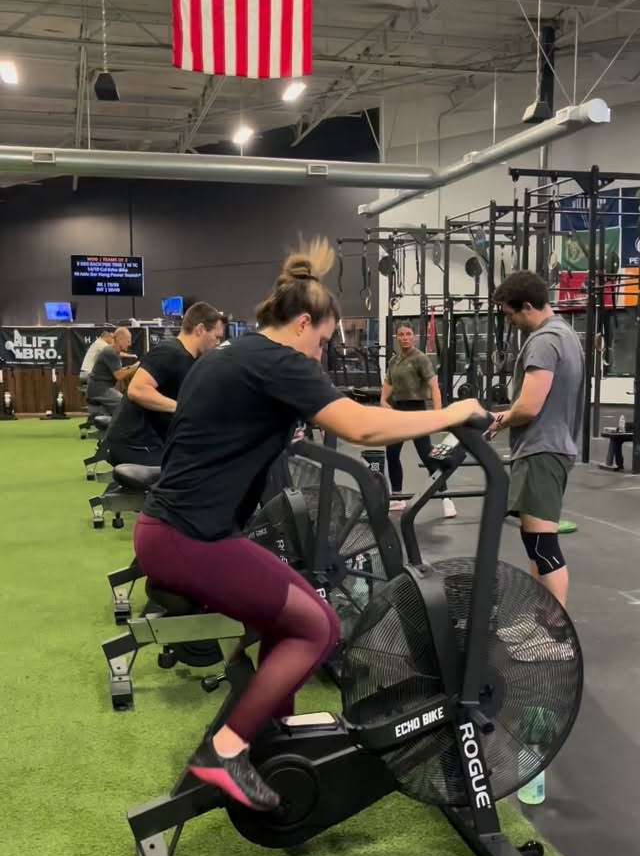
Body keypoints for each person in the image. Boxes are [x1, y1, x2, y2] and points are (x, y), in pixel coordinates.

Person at [133, 238, 485, 812]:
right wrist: (453, 412)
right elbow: (362, 428)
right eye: (322, 342)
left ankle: (269, 737)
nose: (320, 356)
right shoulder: (279, 361)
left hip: (172, 530)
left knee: (289, 612)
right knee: (316, 628)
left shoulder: (224, 358)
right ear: (302, 325)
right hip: (190, 538)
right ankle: (224, 751)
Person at [490, 270, 585, 609]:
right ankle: (538, 619)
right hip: (550, 449)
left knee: (543, 546)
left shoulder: (545, 341)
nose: (510, 321)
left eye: (510, 314)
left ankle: (555, 629)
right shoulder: (566, 334)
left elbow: (529, 407)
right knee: (535, 544)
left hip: (541, 451)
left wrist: (496, 420)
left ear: (527, 306)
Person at [105, 303, 225, 467]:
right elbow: (137, 390)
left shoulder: (189, 359)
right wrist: (181, 408)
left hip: (153, 442)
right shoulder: (170, 351)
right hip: (134, 445)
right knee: (194, 471)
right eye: (216, 337)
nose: (218, 342)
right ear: (200, 329)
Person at [381, 322, 457, 518]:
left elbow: (434, 387)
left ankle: (446, 498)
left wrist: (438, 415)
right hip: (398, 411)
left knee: (427, 455)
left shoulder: (420, 358)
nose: (405, 337)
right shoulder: (394, 361)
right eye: (401, 334)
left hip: (417, 410)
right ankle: (397, 498)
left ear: (413, 337)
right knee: (392, 454)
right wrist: (383, 402)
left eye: (408, 334)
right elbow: (388, 385)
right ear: (397, 338)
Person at [87, 326, 139, 415]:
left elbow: (119, 371)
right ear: (120, 340)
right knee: (125, 405)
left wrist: (130, 368)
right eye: (128, 341)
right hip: (100, 390)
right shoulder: (110, 352)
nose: (130, 344)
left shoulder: (114, 352)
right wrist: (136, 366)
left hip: (100, 388)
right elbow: (119, 375)